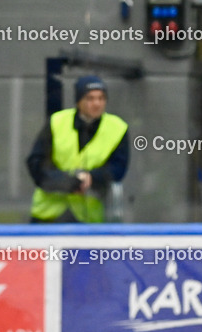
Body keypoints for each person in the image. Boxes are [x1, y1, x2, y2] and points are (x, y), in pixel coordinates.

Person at [27, 75, 130, 223]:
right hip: (48, 214)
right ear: (78, 101)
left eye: (101, 98)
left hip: (88, 217)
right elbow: (36, 163)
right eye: (90, 98)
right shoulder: (57, 122)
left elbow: (118, 168)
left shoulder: (118, 128)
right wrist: (66, 181)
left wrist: (91, 178)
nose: (97, 104)